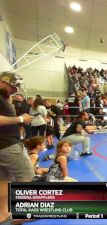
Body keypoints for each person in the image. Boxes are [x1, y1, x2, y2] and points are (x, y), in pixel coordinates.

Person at [0, 72, 33, 225]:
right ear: (2, 82)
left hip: (2, 146)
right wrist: (20, 119)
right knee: (26, 175)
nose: (14, 91)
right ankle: (22, 212)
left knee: (4, 180)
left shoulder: (4, 99)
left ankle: (3, 214)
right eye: (12, 87)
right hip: (8, 146)